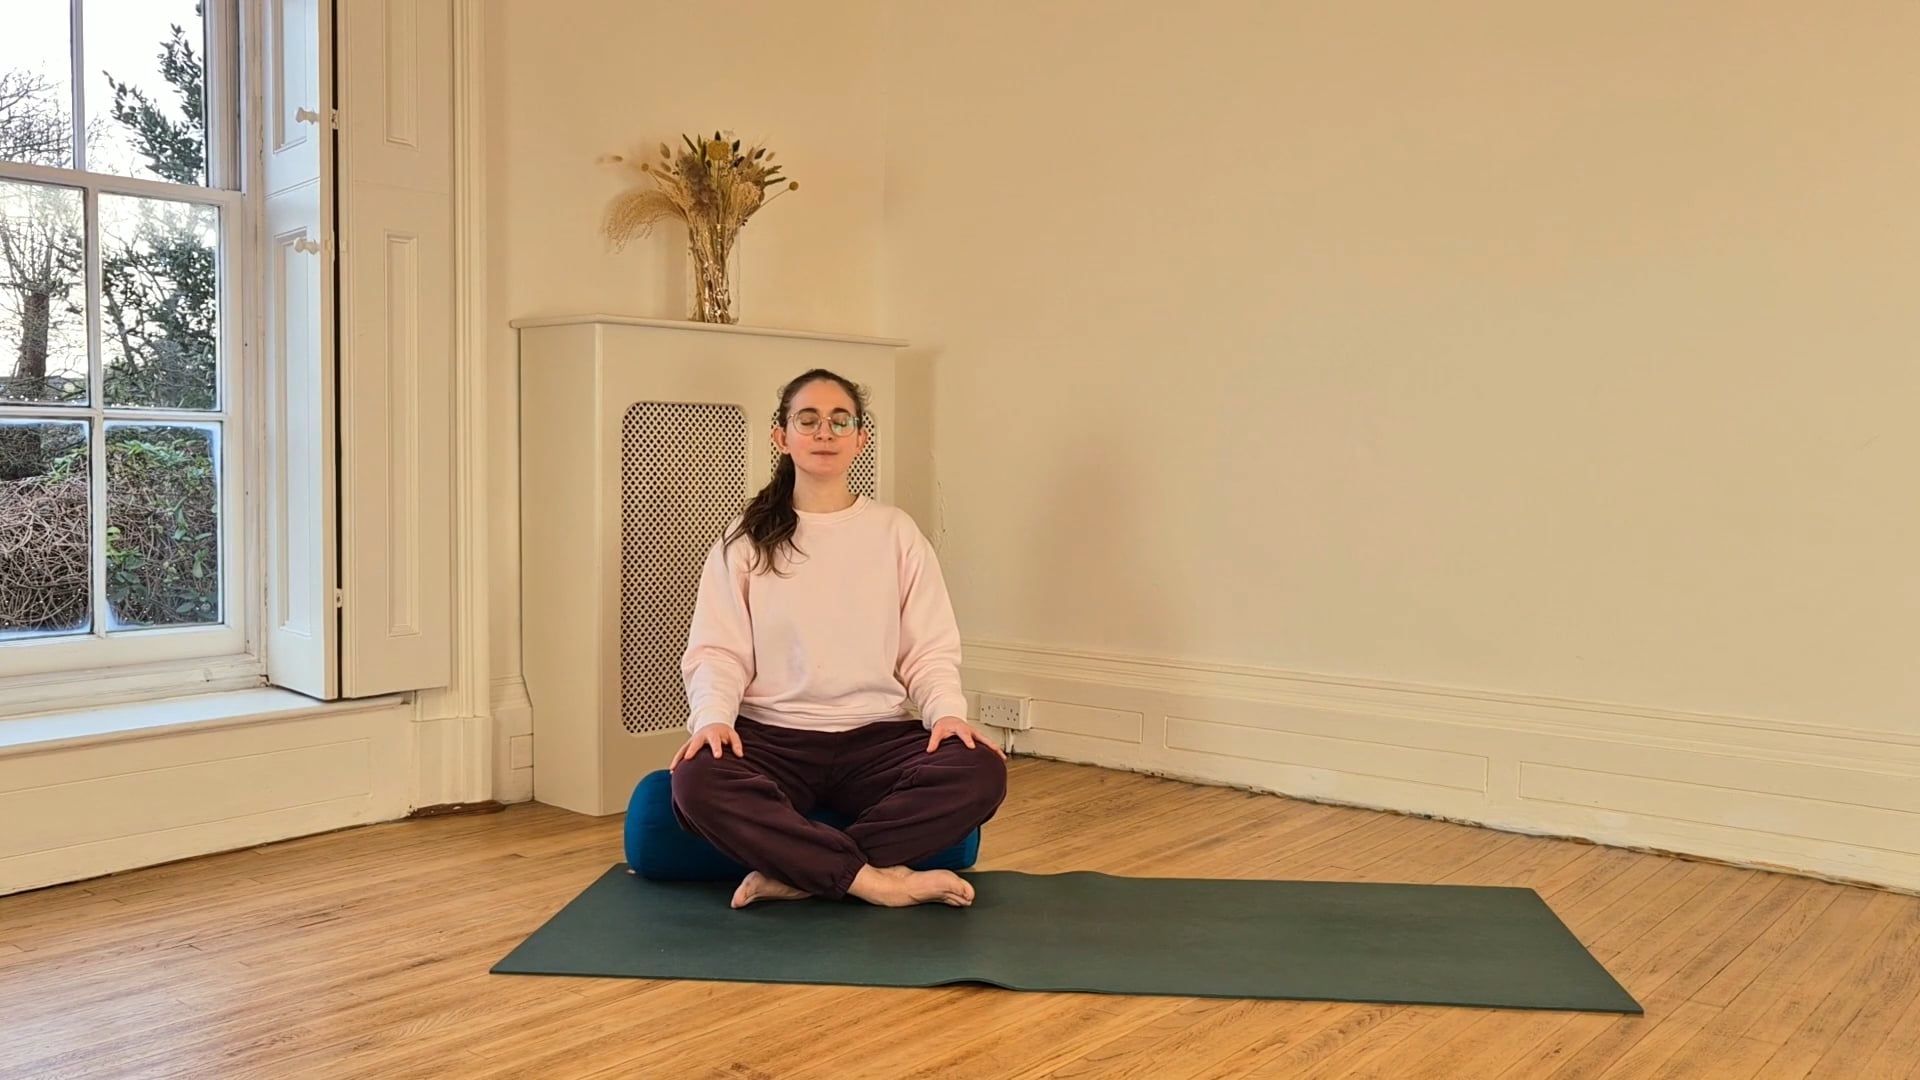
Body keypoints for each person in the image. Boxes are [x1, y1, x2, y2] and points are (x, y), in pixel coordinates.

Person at [670, 368, 1009, 910]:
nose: (824, 432)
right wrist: (713, 718)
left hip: (876, 738)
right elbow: (718, 652)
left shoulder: (896, 533)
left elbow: (927, 650)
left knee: (981, 770)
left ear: (860, 438)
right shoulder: (745, 539)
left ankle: (803, 873)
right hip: (773, 738)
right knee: (695, 782)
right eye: (808, 420)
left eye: (839, 420)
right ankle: (874, 881)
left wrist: (947, 712)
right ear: (782, 437)